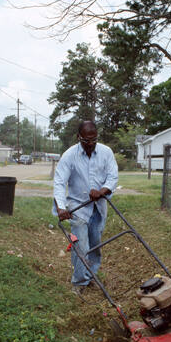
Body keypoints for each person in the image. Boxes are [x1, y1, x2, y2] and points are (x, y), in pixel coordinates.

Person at [53, 121, 118, 291]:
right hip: (78, 206)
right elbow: (59, 182)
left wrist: (102, 190)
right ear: (78, 137)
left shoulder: (106, 152)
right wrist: (61, 207)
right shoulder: (69, 156)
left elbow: (113, 177)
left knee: (95, 245)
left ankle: (91, 276)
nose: (90, 144)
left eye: (93, 140)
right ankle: (79, 281)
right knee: (81, 245)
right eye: (86, 141)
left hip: (99, 206)